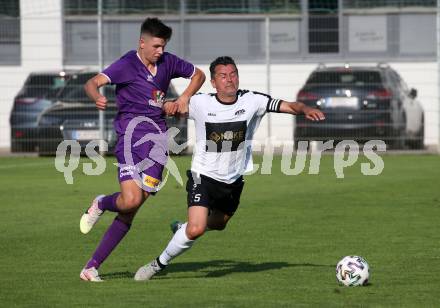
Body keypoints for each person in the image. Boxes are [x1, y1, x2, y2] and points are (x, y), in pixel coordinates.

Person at [134, 56, 325, 281]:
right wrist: (162, 105)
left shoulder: (252, 101)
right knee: (196, 229)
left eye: (233, 74)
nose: (229, 80)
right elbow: (170, 107)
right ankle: (158, 264)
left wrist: (305, 109)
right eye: (223, 76)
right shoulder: (200, 103)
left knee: (219, 224)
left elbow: (289, 105)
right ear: (214, 83)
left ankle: (182, 228)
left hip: (233, 180)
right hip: (202, 176)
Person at [79, 17, 205, 282]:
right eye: (157, 46)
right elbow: (92, 82)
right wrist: (97, 96)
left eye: (163, 46)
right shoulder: (126, 64)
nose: (160, 51)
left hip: (157, 144)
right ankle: (101, 202)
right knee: (131, 200)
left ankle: (91, 267)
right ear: (142, 42)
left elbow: (199, 75)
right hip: (129, 139)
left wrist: (183, 98)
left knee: (130, 209)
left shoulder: (168, 62)